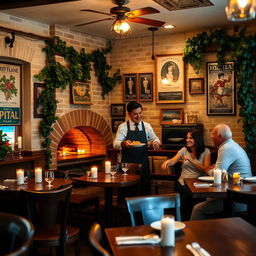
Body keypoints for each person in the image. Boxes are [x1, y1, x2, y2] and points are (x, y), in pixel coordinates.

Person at [190, 124, 252, 220]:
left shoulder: (226, 148)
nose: (211, 136)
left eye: (213, 134)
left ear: (219, 137)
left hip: (238, 199)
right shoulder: (232, 145)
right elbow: (222, 172)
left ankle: (193, 234)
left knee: (197, 209)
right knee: (208, 199)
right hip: (241, 195)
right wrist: (215, 170)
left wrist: (207, 169)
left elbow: (216, 174)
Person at [161, 129, 211, 220]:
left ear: (197, 139)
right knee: (185, 195)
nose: (187, 140)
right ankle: (183, 220)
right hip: (183, 182)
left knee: (190, 198)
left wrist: (191, 160)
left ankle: (192, 221)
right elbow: (173, 160)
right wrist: (167, 162)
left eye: (190, 138)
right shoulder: (184, 150)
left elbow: (206, 169)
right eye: (187, 138)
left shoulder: (206, 151)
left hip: (198, 183)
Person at [113, 101, 160, 195]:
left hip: (144, 164)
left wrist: (156, 143)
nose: (138, 116)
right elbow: (115, 144)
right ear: (129, 114)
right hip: (127, 165)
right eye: (135, 114)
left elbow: (155, 138)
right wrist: (123, 143)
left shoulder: (147, 126)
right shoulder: (123, 127)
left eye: (140, 113)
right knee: (128, 191)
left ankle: (143, 209)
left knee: (144, 188)